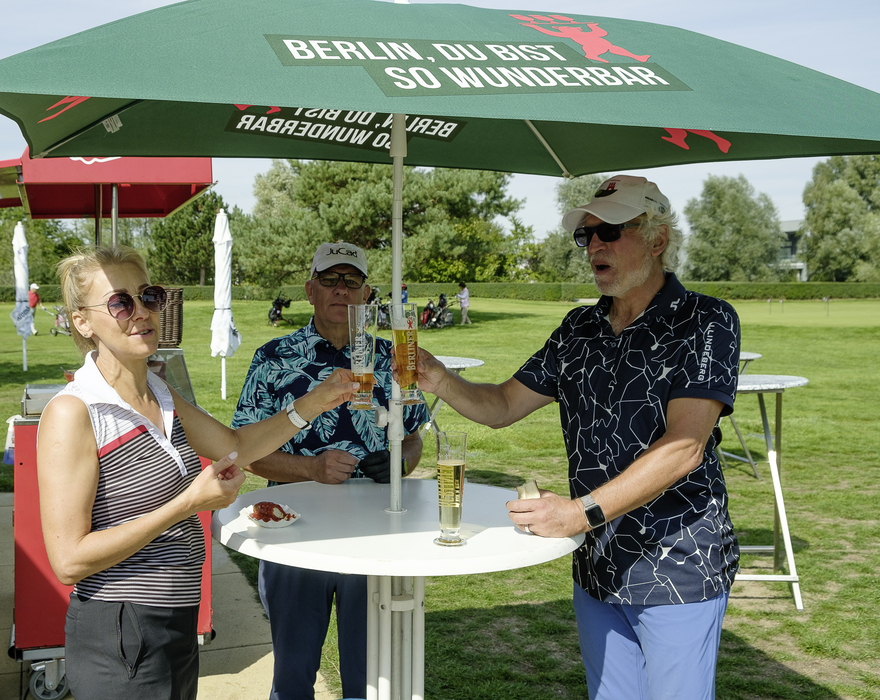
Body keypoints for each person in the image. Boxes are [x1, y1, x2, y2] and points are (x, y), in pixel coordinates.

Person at [404, 175, 740, 700]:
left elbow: (684, 448)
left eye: (610, 231)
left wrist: (577, 514)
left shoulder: (706, 320)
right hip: (597, 564)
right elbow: (502, 406)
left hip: (677, 563)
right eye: (587, 235)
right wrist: (440, 379)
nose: (595, 246)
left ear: (658, 239)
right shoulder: (578, 328)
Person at [36, 246, 358, 700]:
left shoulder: (159, 392)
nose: (141, 311)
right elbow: (69, 561)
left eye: (148, 296)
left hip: (175, 623)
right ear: (82, 322)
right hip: (120, 631)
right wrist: (189, 503)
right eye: (120, 302)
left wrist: (313, 403)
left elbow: (237, 445)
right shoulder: (75, 411)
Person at [232, 241, 429, 700]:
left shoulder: (392, 359)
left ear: (366, 294)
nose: (341, 289)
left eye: (352, 281)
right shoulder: (273, 358)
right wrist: (311, 468)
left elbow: (414, 436)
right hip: (294, 533)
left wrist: (400, 461)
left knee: (370, 672)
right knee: (293, 671)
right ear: (310, 290)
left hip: (375, 533)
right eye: (329, 280)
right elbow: (245, 452)